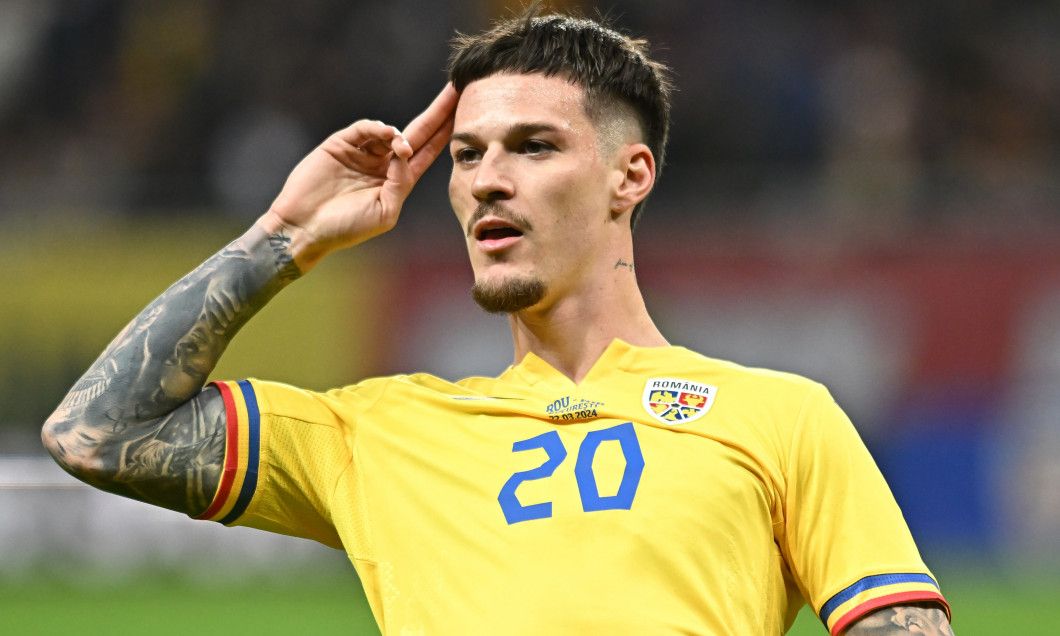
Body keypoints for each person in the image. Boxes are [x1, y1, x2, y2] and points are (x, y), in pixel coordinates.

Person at [42, 10, 954, 636]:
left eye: (534, 146)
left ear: (630, 175)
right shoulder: (377, 433)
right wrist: (283, 237)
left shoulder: (780, 418)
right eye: (467, 154)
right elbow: (97, 433)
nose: (487, 180)